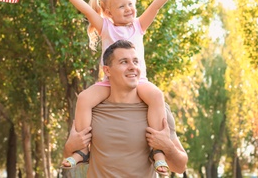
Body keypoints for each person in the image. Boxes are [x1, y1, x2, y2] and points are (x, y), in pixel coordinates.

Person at [49, 0, 190, 175]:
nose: (128, 9)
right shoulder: (105, 27)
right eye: (121, 6)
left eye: (131, 4)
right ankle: (82, 151)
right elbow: (86, 9)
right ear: (107, 11)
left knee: (157, 96)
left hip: (139, 81)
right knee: (84, 98)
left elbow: (157, 5)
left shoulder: (139, 26)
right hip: (108, 82)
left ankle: (158, 151)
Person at [63, 40, 188, 176]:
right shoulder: (92, 107)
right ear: (107, 70)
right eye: (124, 62)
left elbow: (180, 167)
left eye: (135, 61)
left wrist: (167, 147)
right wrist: (69, 147)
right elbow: (72, 157)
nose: (132, 67)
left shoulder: (157, 108)